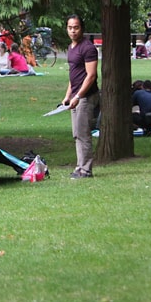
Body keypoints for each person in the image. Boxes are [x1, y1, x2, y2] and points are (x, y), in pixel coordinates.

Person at [63, 14, 98, 179]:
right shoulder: (71, 47)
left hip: (86, 97)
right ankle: (79, 167)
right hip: (76, 97)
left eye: (76, 27)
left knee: (83, 133)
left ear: (81, 28)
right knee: (76, 133)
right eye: (70, 27)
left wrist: (78, 96)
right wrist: (67, 96)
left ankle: (86, 170)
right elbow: (74, 75)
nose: (73, 31)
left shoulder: (88, 48)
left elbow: (91, 76)